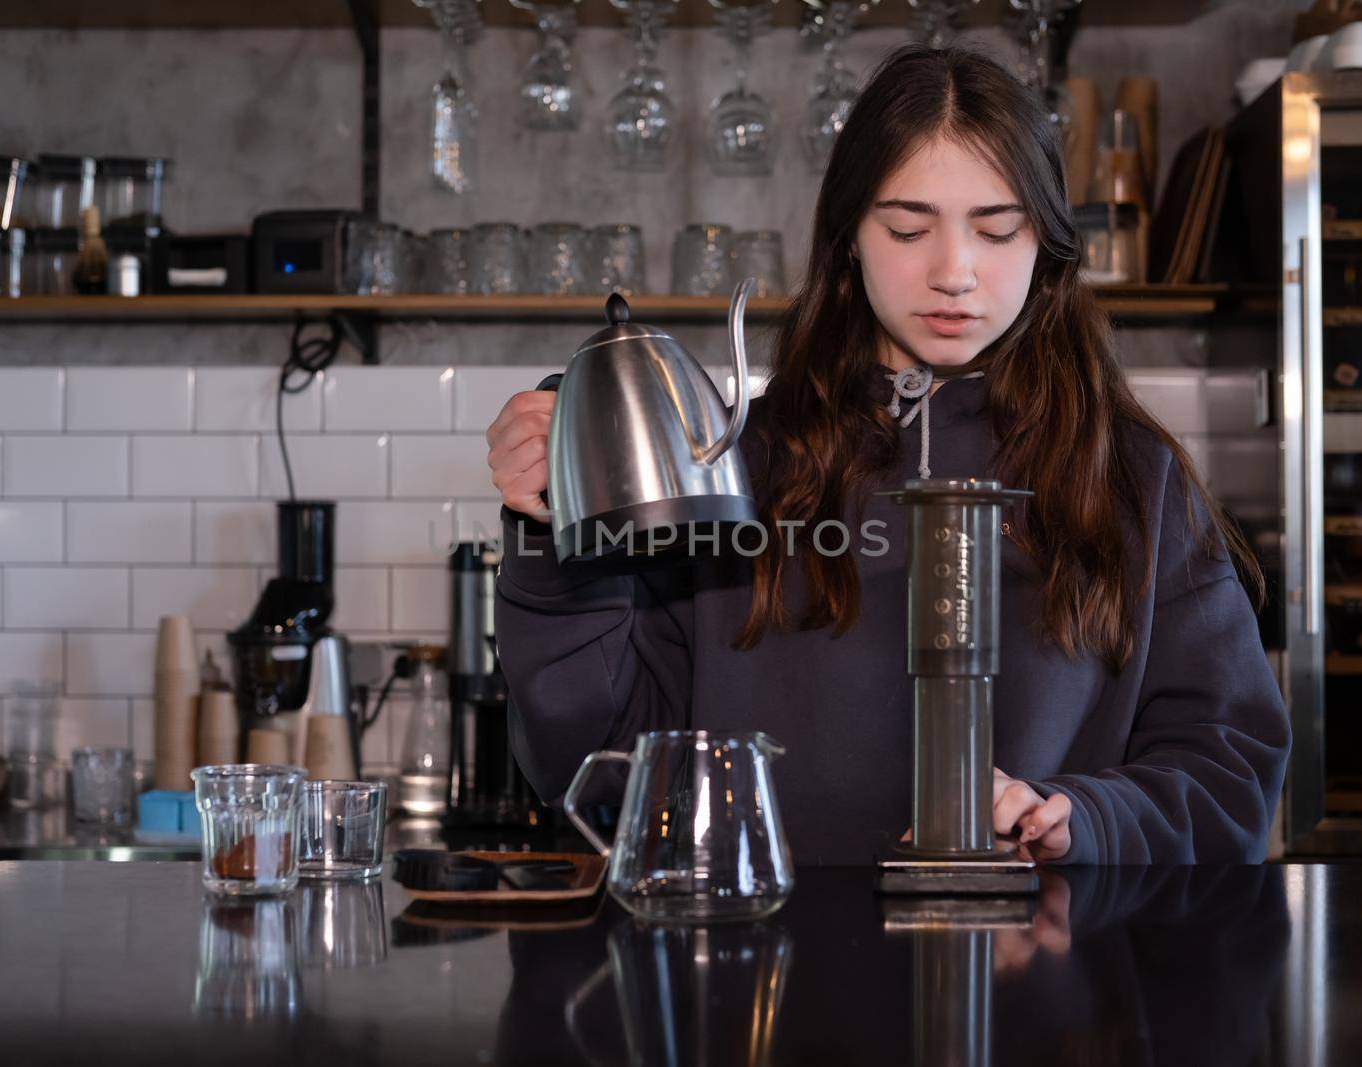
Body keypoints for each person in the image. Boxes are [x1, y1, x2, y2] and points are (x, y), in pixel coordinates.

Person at [483, 44, 1291, 865]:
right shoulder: (730, 468)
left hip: (1045, 975)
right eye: (908, 228)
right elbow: (593, 764)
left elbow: (1229, 772)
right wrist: (549, 533)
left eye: (997, 229)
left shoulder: (1131, 478)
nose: (954, 273)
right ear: (849, 240)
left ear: (1046, 246)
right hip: (769, 980)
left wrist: (1081, 816)